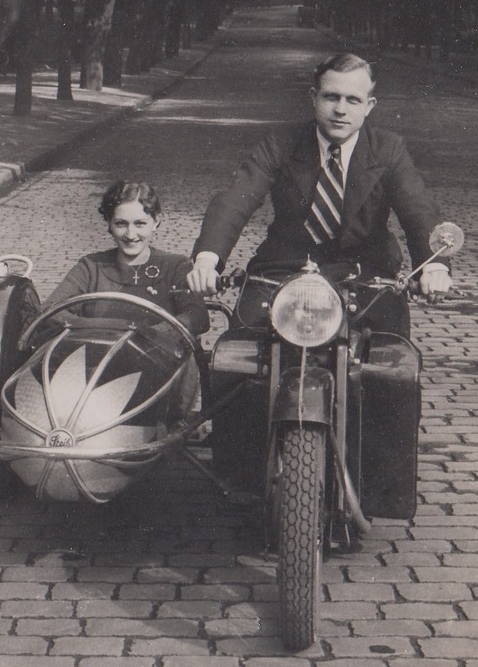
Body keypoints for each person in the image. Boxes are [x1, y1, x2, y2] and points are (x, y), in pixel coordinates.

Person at [186, 52, 450, 329]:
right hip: (283, 268)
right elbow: (236, 199)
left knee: (393, 358)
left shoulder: (388, 149)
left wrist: (434, 268)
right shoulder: (281, 144)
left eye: (353, 100)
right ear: (314, 97)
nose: (340, 109)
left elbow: (417, 209)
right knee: (240, 345)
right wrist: (207, 260)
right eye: (331, 97)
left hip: (365, 274)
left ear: (369, 106)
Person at [44, 181, 209, 421]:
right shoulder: (91, 266)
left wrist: (153, 333)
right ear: (109, 225)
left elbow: (197, 315)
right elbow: (51, 310)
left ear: (156, 222)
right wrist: (108, 331)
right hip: (95, 372)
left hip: (157, 372)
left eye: (140, 223)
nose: (131, 235)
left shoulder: (176, 265)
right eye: (121, 224)